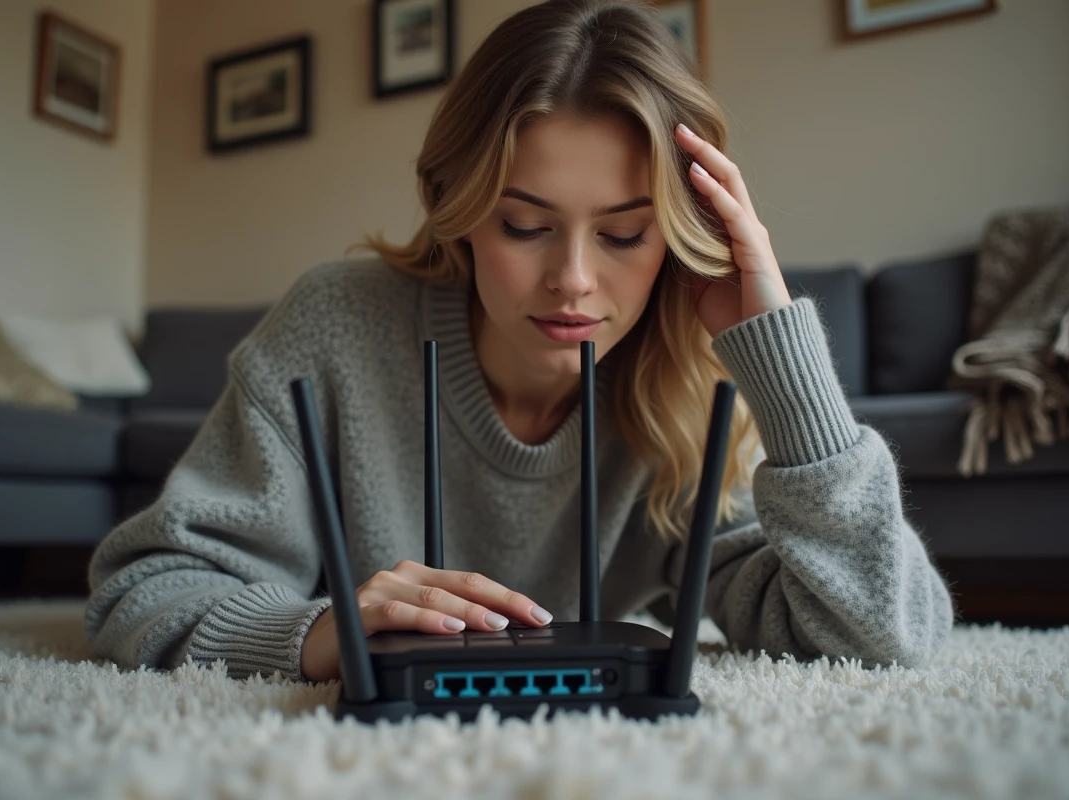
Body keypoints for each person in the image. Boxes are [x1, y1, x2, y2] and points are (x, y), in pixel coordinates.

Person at [84, 0, 953, 684]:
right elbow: (145, 591)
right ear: (456, 211)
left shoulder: (691, 380)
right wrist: (322, 632)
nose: (573, 279)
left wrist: (778, 356)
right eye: (525, 223)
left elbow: (885, 637)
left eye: (623, 235)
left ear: (684, 239)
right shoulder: (335, 325)